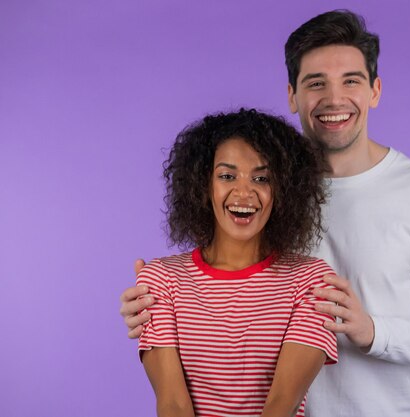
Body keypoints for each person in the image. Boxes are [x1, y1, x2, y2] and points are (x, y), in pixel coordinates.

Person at [121, 10, 410, 417]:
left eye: (351, 80)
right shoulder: (268, 187)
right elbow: (223, 288)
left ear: (375, 91)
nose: (334, 99)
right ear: (292, 95)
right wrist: (158, 304)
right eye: (316, 83)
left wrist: (373, 332)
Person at [136, 108, 338, 417]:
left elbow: (281, 404)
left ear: (282, 190)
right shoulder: (162, 279)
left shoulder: (311, 281)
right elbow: (173, 404)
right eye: (227, 176)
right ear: (204, 184)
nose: (243, 192)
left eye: (261, 178)